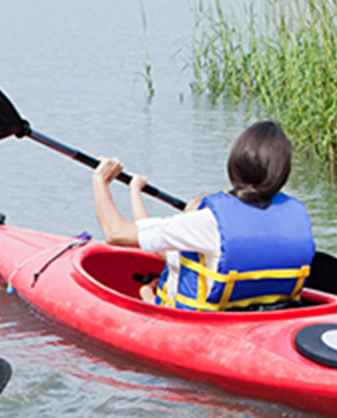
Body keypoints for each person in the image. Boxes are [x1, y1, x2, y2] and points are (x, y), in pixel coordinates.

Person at [91, 121, 315, 311]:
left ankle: (149, 298)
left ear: (234, 166)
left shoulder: (208, 222)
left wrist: (100, 181)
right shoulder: (296, 216)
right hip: (265, 315)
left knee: (152, 286)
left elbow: (115, 233)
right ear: (282, 173)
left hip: (207, 322)